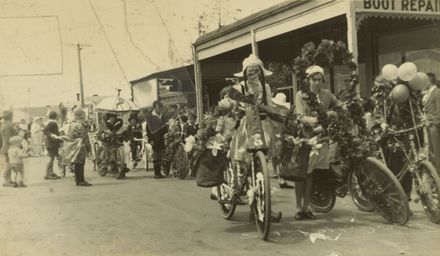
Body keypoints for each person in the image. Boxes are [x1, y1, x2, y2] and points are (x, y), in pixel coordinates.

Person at [228, 54, 282, 222]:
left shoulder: (265, 87)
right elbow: (234, 107)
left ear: (260, 72)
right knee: (247, 166)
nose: (253, 74)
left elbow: (271, 106)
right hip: (248, 126)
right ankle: (253, 207)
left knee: (262, 167)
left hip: (263, 126)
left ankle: (265, 208)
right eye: (250, 71)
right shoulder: (240, 88)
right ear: (245, 73)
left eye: (256, 71)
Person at [293, 65, 342, 220]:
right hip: (306, 138)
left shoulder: (326, 94)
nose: (317, 83)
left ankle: (306, 207)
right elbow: (300, 116)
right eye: (314, 80)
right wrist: (320, 118)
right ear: (308, 80)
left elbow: (339, 106)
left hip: (322, 139)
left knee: (311, 174)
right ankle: (298, 207)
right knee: (302, 174)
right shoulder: (301, 95)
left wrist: (341, 110)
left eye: (319, 80)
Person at [270, 92, 294, 189]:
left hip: (275, 134)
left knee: (276, 156)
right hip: (283, 134)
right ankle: (281, 179)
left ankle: (279, 175)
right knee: (282, 157)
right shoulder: (286, 111)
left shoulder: (273, 111)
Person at [66, 108, 92, 186]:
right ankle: (81, 180)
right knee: (81, 163)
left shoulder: (72, 123)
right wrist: (89, 147)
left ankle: (78, 180)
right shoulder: (81, 125)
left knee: (77, 163)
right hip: (81, 145)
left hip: (74, 145)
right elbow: (85, 137)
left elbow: (69, 135)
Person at [145, 100, 168, 178]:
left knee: (160, 155)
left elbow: (165, 127)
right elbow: (148, 130)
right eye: (159, 107)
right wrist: (151, 139)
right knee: (156, 154)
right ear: (155, 107)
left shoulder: (162, 116)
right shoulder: (150, 117)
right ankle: (156, 173)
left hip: (161, 138)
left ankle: (159, 172)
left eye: (161, 106)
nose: (160, 108)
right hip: (154, 139)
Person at [423, 73, 440, 176]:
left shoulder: (437, 92)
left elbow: (439, 111)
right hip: (429, 126)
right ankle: (434, 175)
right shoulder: (428, 93)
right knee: (431, 152)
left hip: (434, 127)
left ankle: (438, 175)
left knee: (437, 151)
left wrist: (433, 123)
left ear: (428, 81)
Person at [43, 111, 63, 180]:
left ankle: (51, 172)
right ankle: (47, 174)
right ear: (56, 116)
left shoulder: (49, 122)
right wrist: (52, 135)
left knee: (52, 158)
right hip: (52, 143)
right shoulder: (52, 123)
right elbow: (45, 130)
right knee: (51, 158)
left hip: (50, 143)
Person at [1, 110, 18, 187]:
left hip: (6, 147)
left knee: (9, 163)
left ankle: (8, 180)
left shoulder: (5, 125)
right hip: (8, 147)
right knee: (8, 164)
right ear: (10, 117)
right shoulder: (7, 126)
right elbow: (9, 139)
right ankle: (6, 181)